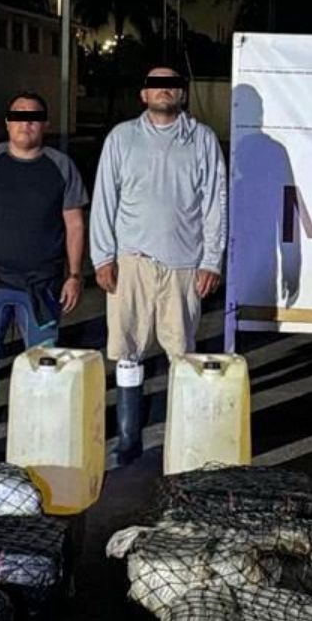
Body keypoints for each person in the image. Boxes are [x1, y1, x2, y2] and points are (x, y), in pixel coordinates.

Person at [90, 67, 228, 466]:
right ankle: (128, 439)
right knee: (127, 351)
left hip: (183, 265)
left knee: (182, 355)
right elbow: (104, 198)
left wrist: (211, 260)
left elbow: (215, 202)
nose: (163, 90)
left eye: (171, 85)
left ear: (182, 94)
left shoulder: (202, 139)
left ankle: (183, 440)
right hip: (131, 262)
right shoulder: (122, 138)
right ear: (143, 95)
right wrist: (103, 256)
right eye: (155, 85)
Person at [0, 92, 89, 458]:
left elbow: (74, 224)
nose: (26, 123)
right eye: (18, 116)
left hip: (41, 284)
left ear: (46, 124)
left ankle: (40, 440)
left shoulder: (61, 166)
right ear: (7, 122)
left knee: (44, 364)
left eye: (34, 117)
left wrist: (74, 275)